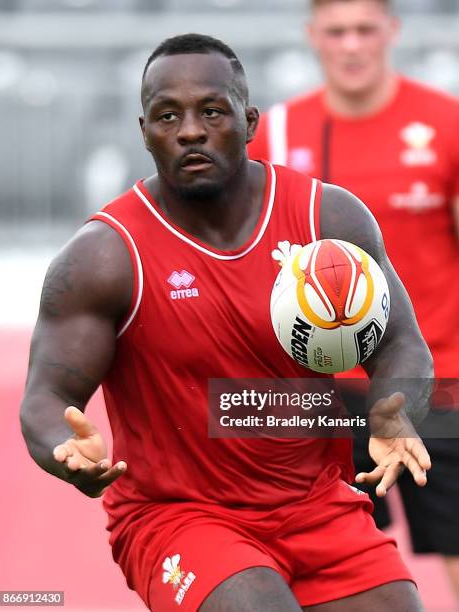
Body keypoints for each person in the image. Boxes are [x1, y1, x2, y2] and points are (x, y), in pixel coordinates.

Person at [21, 33, 433, 612]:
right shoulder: (105, 256)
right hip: (179, 517)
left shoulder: (329, 219)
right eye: (168, 115)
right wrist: (65, 448)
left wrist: (394, 412)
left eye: (211, 111)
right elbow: (46, 395)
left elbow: (400, 344)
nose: (190, 130)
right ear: (144, 132)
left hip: (317, 504)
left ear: (250, 120)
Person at [248, 0, 459, 599]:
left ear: (391, 31)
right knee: (334, 576)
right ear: (313, 36)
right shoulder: (278, 133)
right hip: (319, 396)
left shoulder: (447, 124)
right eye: (336, 31)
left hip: (438, 381)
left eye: (365, 29)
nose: (351, 45)